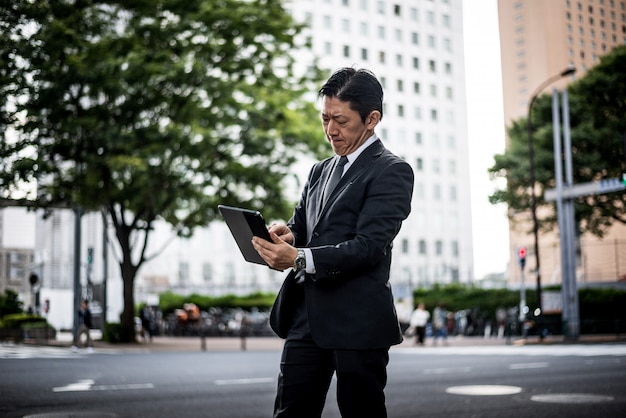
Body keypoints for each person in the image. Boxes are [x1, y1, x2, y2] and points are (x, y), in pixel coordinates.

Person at [251, 67, 414, 418]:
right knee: (290, 413)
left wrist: (297, 258)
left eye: (340, 120)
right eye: (325, 118)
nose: (330, 130)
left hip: (358, 323)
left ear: (372, 119)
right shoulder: (319, 170)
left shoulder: (392, 171)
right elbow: (304, 224)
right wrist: (289, 234)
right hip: (306, 316)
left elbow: (369, 246)